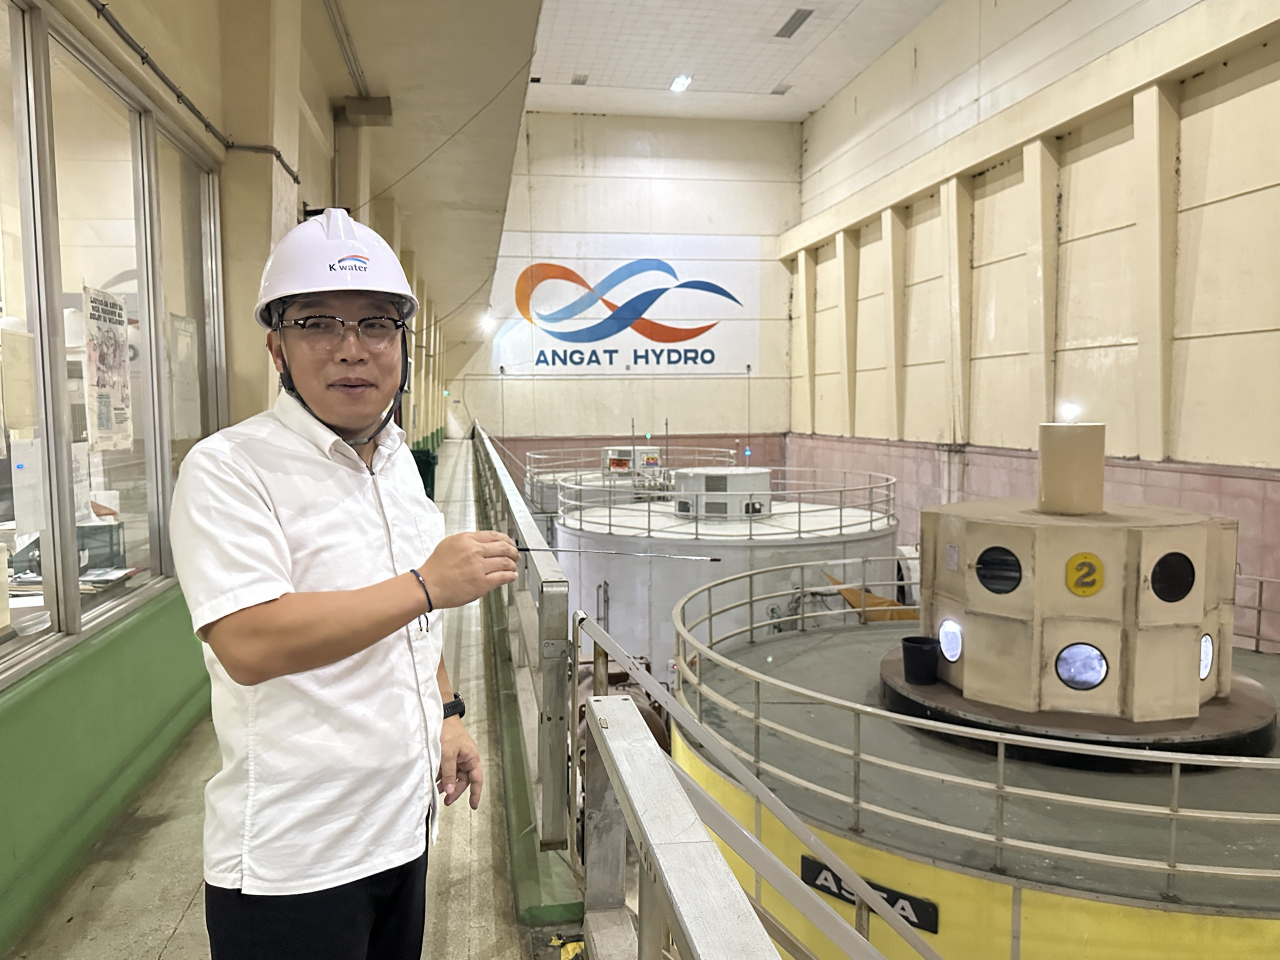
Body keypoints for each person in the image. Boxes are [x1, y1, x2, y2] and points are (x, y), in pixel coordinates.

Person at [169, 207, 518, 960]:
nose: (351, 349)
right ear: (278, 349)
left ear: (400, 345)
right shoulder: (230, 469)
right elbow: (250, 642)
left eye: (376, 325)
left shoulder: (398, 469)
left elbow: (413, 629)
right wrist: (427, 584)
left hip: (402, 832)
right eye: (318, 323)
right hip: (294, 864)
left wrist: (449, 712)